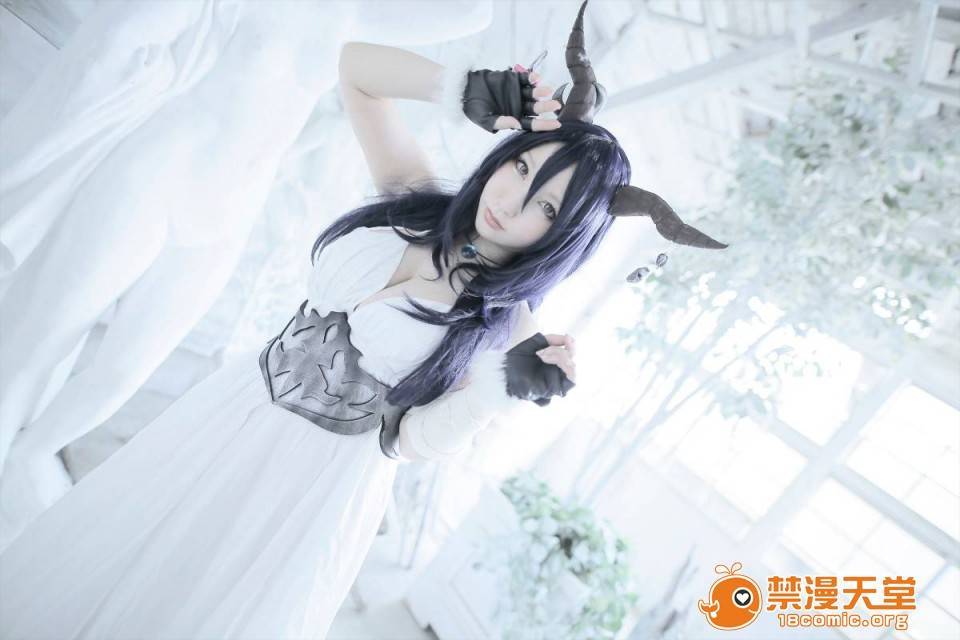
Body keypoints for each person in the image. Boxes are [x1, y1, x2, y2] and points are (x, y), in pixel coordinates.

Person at [0, 2, 726, 637]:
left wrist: (499, 391)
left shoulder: (507, 323)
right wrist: (459, 86)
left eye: (545, 208)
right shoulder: (420, 203)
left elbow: (409, 442)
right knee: (120, 557)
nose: (513, 201)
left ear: (564, 236)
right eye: (522, 169)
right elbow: (353, 70)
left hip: (311, 490)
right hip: (233, 409)